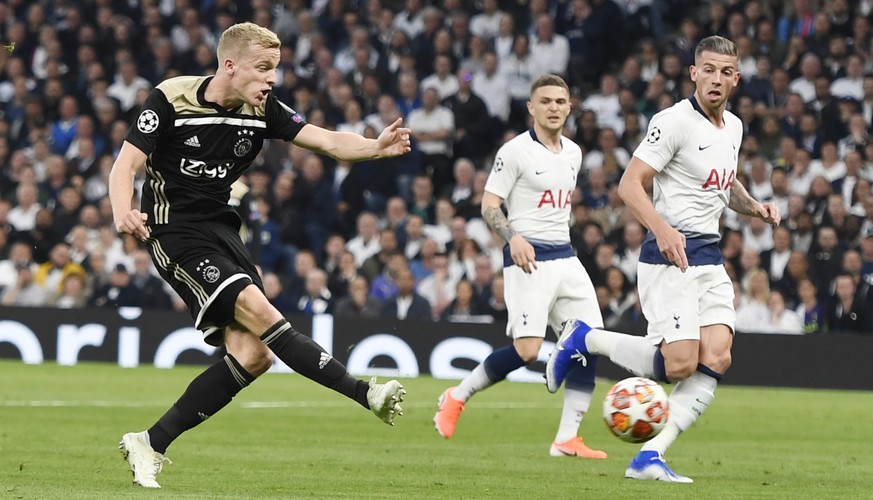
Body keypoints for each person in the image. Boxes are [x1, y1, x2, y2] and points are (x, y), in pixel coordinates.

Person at [110, 23, 410, 489]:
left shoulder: (262, 109)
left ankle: (150, 442)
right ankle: (363, 393)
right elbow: (125, 164)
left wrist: (373, 147)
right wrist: (123, 210)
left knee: (254, 356)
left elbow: (327, 140)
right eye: (263, 68)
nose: (272, 79)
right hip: (174, 233)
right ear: (230, 65)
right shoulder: (172, 99)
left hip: (223, 233)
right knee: (258, 308)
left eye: (277, 69)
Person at [546, 36, 781, 482]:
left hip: (709, 255)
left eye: (725, 72)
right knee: (678, 365)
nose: (716, 78)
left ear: (736, 78)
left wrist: (756, 206)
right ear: (693, 73)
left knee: (718, 357)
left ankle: (648, 456)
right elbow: (630, 184)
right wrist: (662, 228)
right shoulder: (672, 121)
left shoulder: (733, 126)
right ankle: (584, 338)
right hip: (668, 255)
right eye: (707, 69)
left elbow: (723, 185)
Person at [433, 74, 606, 459]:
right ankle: (456, 396)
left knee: (590, 341)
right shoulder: (514, 152)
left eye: (560, 101)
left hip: (567, 256)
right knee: (527, 350)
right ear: (531, 107)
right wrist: (513, 237)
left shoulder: (574, 153)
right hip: (528, 259)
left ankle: (566, 439)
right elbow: (489, 204)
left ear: (569, 106)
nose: (554, 107)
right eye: (545, 101)